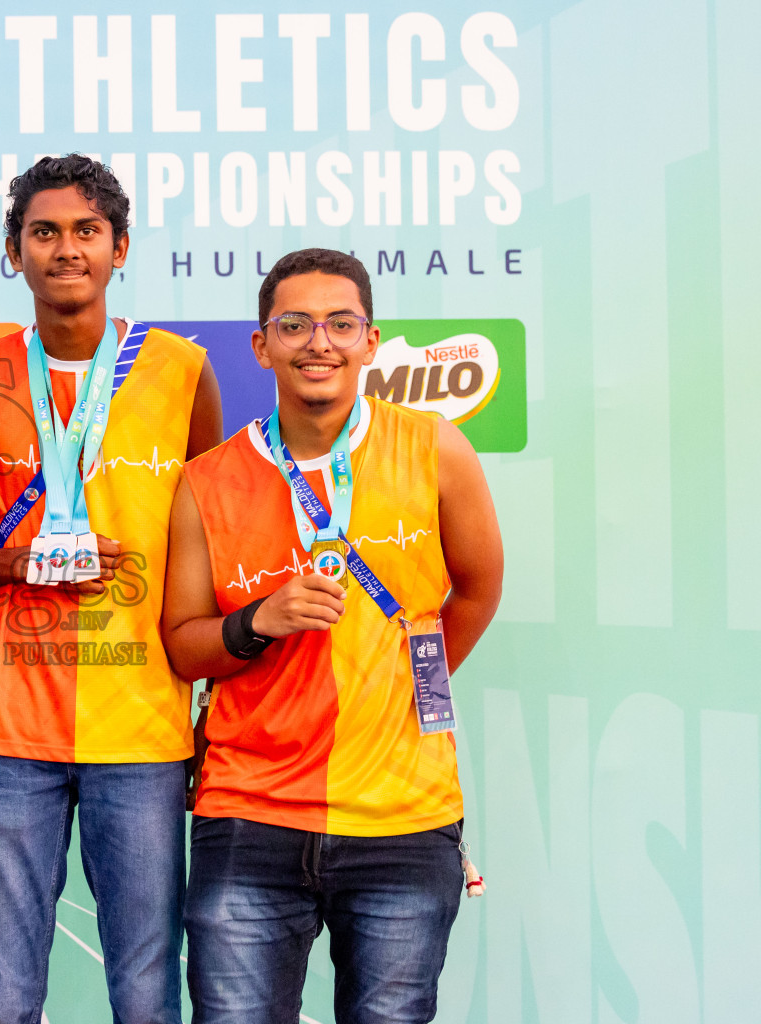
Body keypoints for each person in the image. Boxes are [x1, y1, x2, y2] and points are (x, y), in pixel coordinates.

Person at [160, 248, 504, 1024]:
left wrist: (406, 684)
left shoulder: (434, 447)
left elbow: (478, 589)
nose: (320, 342)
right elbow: (185, 644)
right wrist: (257, 623)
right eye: (296, 324)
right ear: (262, 345)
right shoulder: (207, 480)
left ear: (371, 341)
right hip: (250, 817)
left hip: (402, 822)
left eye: (340, 323)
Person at [0, 154, 223, 1024]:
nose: (67, 249)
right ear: (13, 252)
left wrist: (212, 703)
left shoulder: (181, 371)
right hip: (8, 729)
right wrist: (15, 564)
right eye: (45, 232)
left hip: (143, 730)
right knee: (4, 992)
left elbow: (218, 543)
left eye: (87, 231)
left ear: (120, 247)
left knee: (145, 991)